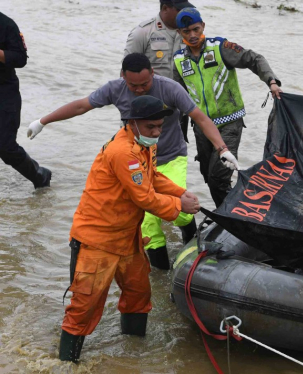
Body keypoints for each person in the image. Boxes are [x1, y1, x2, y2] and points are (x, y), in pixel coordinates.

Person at [26, 53, 238, 270]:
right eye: (133, 85)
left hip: (171, 155)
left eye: (144, 84)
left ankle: (191, 245)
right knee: (148, 221)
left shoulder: (171, 89)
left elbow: (200, 117)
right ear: (122, 77)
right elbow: (82, 106)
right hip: (137, 158)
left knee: (182, 210)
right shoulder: (115, 88)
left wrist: (222, 149)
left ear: (153, 74)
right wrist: (43, 121)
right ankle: (162, 274)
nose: (139, 89)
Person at [59, 96, 200, 362]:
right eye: (151, 127)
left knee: (139, 294)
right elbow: (144, 198)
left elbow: (153, 177)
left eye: (160, 126)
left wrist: (181, 192)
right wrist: (178, 204)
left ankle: (133, 356)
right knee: (84, 307)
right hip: (97, 240)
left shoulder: (143, 145)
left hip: (127, 238)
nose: (157, 132)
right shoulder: (123, 152)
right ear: (132, 123)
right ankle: (66, 363)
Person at [173, 8, 283, 207]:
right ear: (179, 33)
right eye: (186, 31)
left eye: (196, 29)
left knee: (219, 176)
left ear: (203, 26)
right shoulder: (179, 60)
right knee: (207, 175)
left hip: (229, 122)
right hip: (201, 126)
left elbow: (254, 59)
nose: (192, 35)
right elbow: (178, 99)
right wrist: (180, 132)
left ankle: (231, 217)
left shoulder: (221, 48)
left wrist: (271, 81)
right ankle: (229, 211)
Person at [124, 0, 194, 142]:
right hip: (146, 110)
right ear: (165, 8)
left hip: (177, 110)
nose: (184, 13)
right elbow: (126, 73)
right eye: (179, 9)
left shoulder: (190, 33)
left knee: (174, 156)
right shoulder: (143, 32)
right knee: (137, 154)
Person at [0, 11, 51, 189]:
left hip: (4, 91)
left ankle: (40, 175)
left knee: (5, 147)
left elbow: (20, 59)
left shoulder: (6, 24)